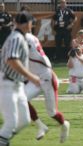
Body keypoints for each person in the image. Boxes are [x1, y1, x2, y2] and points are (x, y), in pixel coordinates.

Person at [0, 11, 40, 146]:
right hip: (7, 83)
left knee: (24, 120)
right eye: (31, 22)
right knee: (11, 122)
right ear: (27, 23)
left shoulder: (20, 37)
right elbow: (12, 60)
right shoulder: (16, 38)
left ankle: (3, 139)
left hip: (17, 85)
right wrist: (31, 76)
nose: (32, 25)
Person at [24, 32, 70, 143]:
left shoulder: (28, 42)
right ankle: (41, 126)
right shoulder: (27, 40)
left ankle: (64, 125)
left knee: (52, 112)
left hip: (47, 79)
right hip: (35, 79)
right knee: (22, 99)